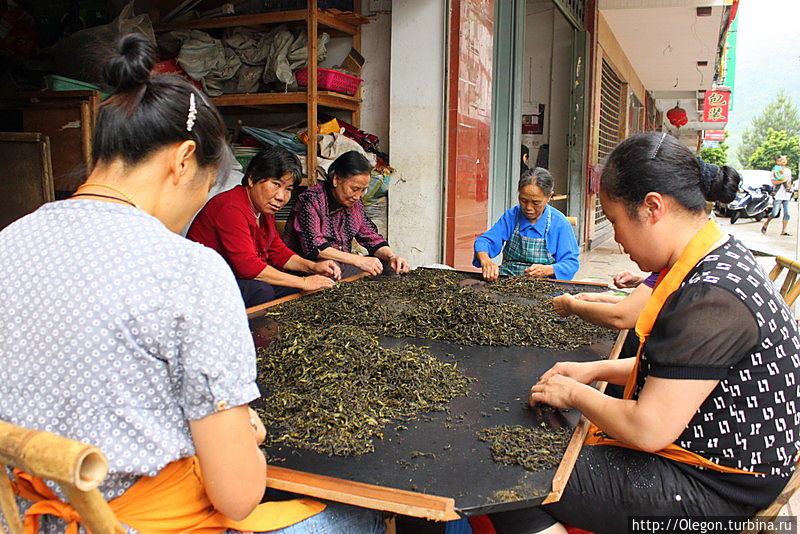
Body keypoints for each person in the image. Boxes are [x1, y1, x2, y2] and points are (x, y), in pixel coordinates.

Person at [0, 34, 383, 534]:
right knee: (363, 516)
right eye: (206, 187)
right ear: (183, 160)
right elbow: (239, 495)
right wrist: (246, 431)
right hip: (136, 524)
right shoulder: (188, 269)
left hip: (21, 516)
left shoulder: (11, 240)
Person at [490, 132, 800, 534]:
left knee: (512, 470)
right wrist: (594, 370)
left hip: (713, 489)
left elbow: (648, 428)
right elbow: (684, 372)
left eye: (616, 221)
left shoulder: (712, 298)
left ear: (652, 207)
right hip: (726, 466)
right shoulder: (718, 257)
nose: (616, 239)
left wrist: (575, 393)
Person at [187, 146, 341, 308]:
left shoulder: (263, 209)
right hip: (206, 285)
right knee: (261, 290)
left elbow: (276, 250)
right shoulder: (230, 207)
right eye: (275, 184)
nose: (281, 197)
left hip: (236, 277)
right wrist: (304, 282)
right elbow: (247, 266)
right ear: (252, 179)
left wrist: (313, 267)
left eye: (288, 189)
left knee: (291, 286)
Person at [283, 150, 410, 278]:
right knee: (329, 269)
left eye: (363, 190)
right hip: (308, 268)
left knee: (387, 265)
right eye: (354, 189)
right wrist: (358, 260)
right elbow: (315, 247)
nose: (358, 196)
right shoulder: (311, 200)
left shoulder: (355, 204)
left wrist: (392, 257)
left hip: (342, 265)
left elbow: (371, 236)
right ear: (336, 180)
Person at [474, 167, 579, 281]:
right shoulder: (512, 215)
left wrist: (548, 269)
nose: (528, 208)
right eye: (523, 201)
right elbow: (485, 241)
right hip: (508, 279)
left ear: (549, 197)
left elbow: (571, 263)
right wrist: (486, 260)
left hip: (544, 285)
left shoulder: (559, 223)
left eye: (536, 203)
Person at [761, 154, 794, 236]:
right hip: (778, 195)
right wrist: (783, 181)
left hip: (786, 196)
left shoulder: (788, 171)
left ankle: (784, 230)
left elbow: (789, 182)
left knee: (787, 213)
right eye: (782, 160)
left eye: (785, 160)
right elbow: (774, 182)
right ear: (778, 162)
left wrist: (789, 186)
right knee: (774, 213)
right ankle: (766, 223)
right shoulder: (775, 171)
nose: (783, 161)